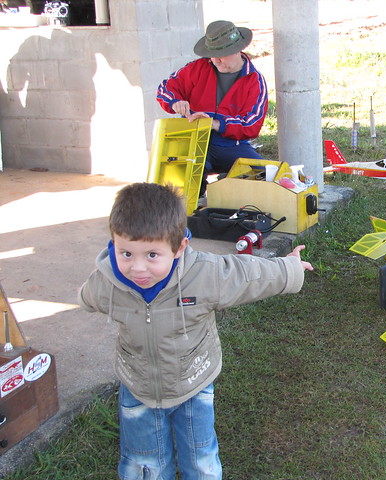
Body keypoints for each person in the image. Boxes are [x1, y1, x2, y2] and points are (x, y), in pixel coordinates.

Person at [78, 182, 313, 479]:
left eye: (152, 255)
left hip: (193, 382)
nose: (137, 268)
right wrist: (85, 296)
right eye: (126, 253)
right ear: (113, 243)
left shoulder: (204, 274)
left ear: (179, 248)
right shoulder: (108, 281)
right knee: (143, 464)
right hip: (138, 386)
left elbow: (247, 276)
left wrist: (288, 269)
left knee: (201, 461)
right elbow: (90, 295)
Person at [157, 20, 268, 194]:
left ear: (238, 49)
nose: (216, 60)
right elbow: (166, 88)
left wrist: (216, 123)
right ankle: (190, 213)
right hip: (195, 138)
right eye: (212, 54)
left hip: (232, 145)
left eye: (222, 54)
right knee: (183, 183)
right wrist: (174, 102)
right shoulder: (197, 68)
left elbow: (251, 124)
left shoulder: (254, 80)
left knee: (265, 176)